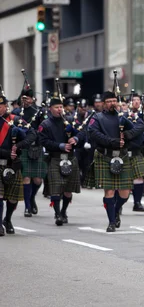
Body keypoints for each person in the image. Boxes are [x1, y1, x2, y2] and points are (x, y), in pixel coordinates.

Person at [88, 91, 144, 232]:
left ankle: (116, 208)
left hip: (122, 156)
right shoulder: (97, 118)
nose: (112, 103)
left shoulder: (124, 117)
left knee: (125, 194)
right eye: (109, 101)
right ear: (103, 103)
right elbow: (94, 133)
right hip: (105, 156)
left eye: (114, 100)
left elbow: (141, 126)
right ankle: (111, 222)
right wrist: (113, 142)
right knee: (109, 192)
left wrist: (127, 134)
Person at [38, 94, 84, 225]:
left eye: (60, 107)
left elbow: (82, 132)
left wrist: (76, 139)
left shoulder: (70, 120)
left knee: (68, 190)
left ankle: (64, 211)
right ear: (50, 108)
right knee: (56, 188)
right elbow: (43, 141)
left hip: (70, 158)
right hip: (55, 158)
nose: (59, 109)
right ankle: (57, 214)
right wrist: (60, 145)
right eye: (56, 107)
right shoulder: (45, 124)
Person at [12, 89, 45, 218]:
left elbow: (43, 128)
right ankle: (27, 207)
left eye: (27, 99)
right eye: (23, 98)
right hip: (23, 148)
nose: (25, 101)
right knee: (26, 177)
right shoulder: (16, 113)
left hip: (36, 147)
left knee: (37, 180)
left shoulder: (38, 113)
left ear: (32, 99)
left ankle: (31, 197)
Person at [0, 94, 28, 235]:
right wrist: (6, 153)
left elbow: (33, 134)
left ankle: (8, 219)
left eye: (1, 105)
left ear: (6, 106)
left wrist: (19, 146)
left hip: (12, 164)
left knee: (12, 197)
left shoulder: (15, 120)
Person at [126, 93, 144, 212]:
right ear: (129, 103)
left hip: (137, 150)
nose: (136, 102)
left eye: (138, 100)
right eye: (134, 100)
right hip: (125, 150)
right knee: (121, 178)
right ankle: (118, 203)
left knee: (139, 178)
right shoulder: (124, 116)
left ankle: (137, 202)